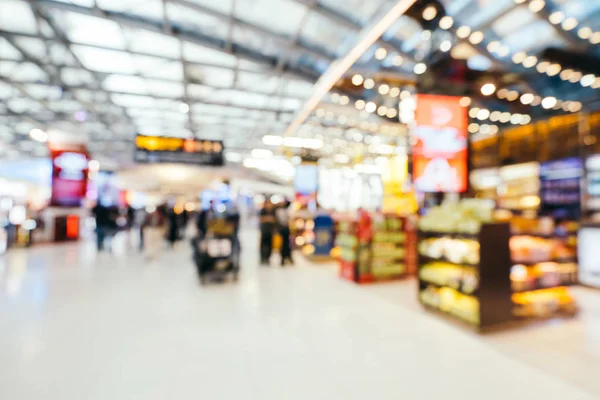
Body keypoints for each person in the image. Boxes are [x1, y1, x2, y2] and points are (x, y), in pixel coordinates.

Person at [259, 200, 276, 265]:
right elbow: (261, 219)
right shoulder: (262, 210)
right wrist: (268, 219)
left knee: (270, 245)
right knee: (263, 244)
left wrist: (267, 219)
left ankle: (268, 258)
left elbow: (274, 219)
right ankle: (263, 258)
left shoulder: (273, 211)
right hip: (264, 230)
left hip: (270, 230)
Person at [276, 200, 293, 266]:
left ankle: (287, 257)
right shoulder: (280, 211)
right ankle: (284, 258)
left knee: (286, 243)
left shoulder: (286, 211)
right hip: (282, 228)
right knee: (284, 244)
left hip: (285, 229)